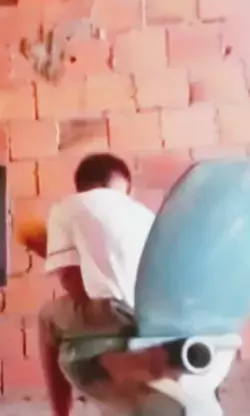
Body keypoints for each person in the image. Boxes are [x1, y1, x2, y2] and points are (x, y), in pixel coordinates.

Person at [21, 153, 157, 416]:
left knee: (48, 315)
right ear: (127, 187)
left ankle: (60, 412)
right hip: (155, 314)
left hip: (115, 313)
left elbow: (74, 284)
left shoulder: (67, 208)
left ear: (80, 186)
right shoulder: (145, 214)